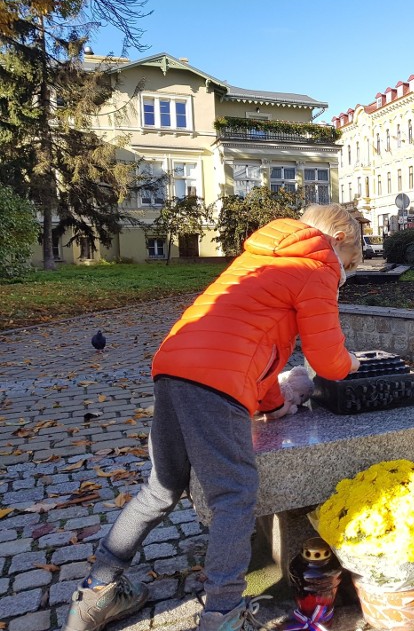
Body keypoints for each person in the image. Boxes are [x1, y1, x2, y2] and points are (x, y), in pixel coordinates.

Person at [63, 204, 363, 631]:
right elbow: (329, 361)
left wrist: (275, 406)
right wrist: (351, 363)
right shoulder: (316, 268)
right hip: (216, 382)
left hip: (173, 369)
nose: (344, 273)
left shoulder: (259, 259)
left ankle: (95, 595)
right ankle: (223, 613)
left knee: (159, 490)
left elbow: (256, 348)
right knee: (234, 497)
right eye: (348, 262)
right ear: (336, 242)